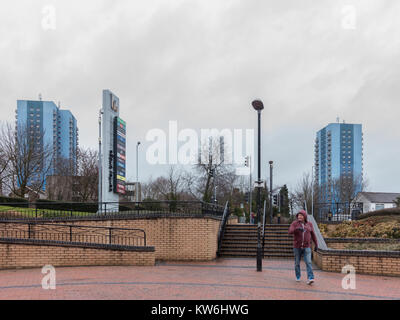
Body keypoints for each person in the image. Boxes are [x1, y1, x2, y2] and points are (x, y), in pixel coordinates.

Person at [288, 210, 318, 285]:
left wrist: (316, 244)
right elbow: (290, 231)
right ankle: (298, 276)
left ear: (304, 216)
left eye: (301, 215)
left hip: (307, 246)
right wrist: (297, 229)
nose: (299, 217)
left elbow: (313, 235)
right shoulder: (294, 223)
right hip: (297, 247)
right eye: (298, 215)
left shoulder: (309, 224)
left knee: (308, 262)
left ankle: (310, 278)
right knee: (297, 263)